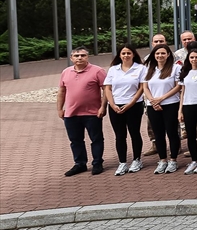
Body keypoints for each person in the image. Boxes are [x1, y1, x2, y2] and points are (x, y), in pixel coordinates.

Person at [58, 46, 108, 176]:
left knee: (96, 139)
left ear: (87, 57)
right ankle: (80, 164)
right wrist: (60, 109)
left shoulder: (98, 71)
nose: (79, 58)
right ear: (71, 58)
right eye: (76, 56)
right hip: (71, 113)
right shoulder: (66, 72)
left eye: (83, 55)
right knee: (75, 140)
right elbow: (62, 91)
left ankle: (97, 162)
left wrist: (103, 107)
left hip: (92, 113)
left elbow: (106, 90)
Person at [103, 44, 147, 176]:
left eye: (128, 53)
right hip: (116, 106)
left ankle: (137, 160)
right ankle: (122, 162)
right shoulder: (113, 69)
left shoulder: (140, 68)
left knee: (134, 132)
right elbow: (107, 88)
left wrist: (131, 103)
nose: (126, 55)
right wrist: (112, 104)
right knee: (120, 135)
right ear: (119, 55)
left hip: (134, 105)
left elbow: (142, 87)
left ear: (133, 54)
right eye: (123, 53)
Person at [142, 44, 182, 173]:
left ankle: (173, 160)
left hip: (171, 104)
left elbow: (178, 86)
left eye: (163, 53)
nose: (160, 56)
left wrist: (161, 98)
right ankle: (162, 160)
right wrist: (153, 101)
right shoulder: (148, 68)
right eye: (157, 53)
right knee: (158, 134)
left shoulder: (175, 68)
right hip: (153, 106)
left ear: (168, 54)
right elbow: (145, 87)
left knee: (172, 133)